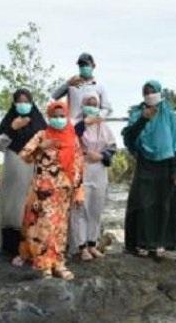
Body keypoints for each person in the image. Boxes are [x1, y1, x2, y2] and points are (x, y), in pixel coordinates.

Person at [15, 101, 84, 280]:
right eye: (55, 116)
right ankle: (44, 263)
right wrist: (40, 148)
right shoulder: (42, 134)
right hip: (43, 190)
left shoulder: (73, 137)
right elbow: (24, 156)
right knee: (44, 226)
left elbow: (78, 164)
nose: (59, 119)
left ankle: (59, 263)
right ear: (49, 117)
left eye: (62, 116)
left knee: (61, 227)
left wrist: (78, 190)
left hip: (64, 189)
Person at [123, 80, 176, 258]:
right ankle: (141, 243)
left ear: (159, 92)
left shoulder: (168, 113)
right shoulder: (137, 113)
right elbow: (129, 138)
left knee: (164, 204)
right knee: (143, 203)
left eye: (152, 91)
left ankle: (160, 244)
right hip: (145, 162)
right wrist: (143, 119)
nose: (149, 95)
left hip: (166, 162)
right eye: (146, 92)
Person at [0, 88, 47, 259]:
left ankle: (31, 248)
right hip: (13, 165)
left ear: (32, 103)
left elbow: (46, 145)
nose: (23, 104)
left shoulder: (38, 121)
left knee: (31, 204)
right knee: (11, 205)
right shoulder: (9, 120)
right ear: (14, 103)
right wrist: (12, 128)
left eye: (26, 101)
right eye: (19, 101)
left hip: (33, 167)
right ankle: (10, 248)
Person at [69, 95, 117, 261]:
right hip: (82, 169)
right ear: (82, 106)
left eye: (94, 104)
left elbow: (112, 147)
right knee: (80, 208)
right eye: (88, 104)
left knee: (96, 209)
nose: (91, 107)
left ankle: (92, 243)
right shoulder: (76, 123)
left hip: (99, 170)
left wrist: (102, 156)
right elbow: (71, 137)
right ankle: (81, 246)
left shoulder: (104, 126)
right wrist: (85, 123)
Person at [51, 52, 112, 122]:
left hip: (92, 126)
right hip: (73, 127)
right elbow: (54, 96)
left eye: (86, 64)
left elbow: (106, 109)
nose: (83, 67)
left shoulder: (99, 87)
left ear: (93, 66)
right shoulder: (72, 84)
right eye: (81, 65)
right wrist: (68, 84)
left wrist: (97, 117)